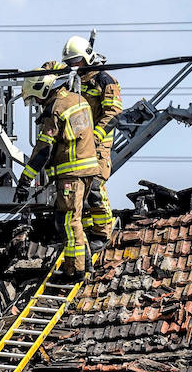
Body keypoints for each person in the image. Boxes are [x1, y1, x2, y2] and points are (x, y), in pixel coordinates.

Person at [14, 69, 99, 280]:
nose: (36, 103)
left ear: (42, 90)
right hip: (87, 170)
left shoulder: (55, 110)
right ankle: (85, 264)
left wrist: (25, 180)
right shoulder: (77, 99)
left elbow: (44, 149)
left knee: (67, 222)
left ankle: (75, 271)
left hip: (70, 173)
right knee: (75, 220)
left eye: (35, 98)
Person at [61, 36, 121, 252]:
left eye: (76, 61)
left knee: (95, 184)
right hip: (77, 142)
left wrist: (94, 136)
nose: (72, 66)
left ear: (87, 57)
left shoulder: (105, 81)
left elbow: (113, 114)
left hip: (98, 141)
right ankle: (86, 229)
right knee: (79, 187)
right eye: (70, 62)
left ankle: (103, 231)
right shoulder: (69, 80)